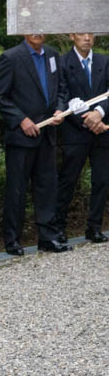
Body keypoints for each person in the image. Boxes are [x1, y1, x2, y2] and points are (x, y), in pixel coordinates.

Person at [0, 34, 68, 254]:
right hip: (21, 136)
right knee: (17, 189)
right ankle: (12, 239)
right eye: (32, 27)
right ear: (24, 30)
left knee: (47, 186)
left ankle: (47, 237)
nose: (37, 31)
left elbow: (61, 89)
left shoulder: (53, 55)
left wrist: (60, 109)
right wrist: (21, 119)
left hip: (48, 133)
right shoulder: (11, 57)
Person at [53, 33, 108, 243]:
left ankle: (94, 228)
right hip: (74, 130)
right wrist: (85, 120)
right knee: (68, 180)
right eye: (81, 33)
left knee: (102, 180)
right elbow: (62, 94)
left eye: (90, 33)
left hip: (102, 129)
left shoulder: (105, 61)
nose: (87, 38)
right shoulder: (62, 62)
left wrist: (99, 114)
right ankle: (58, 227)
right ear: (71, 36)